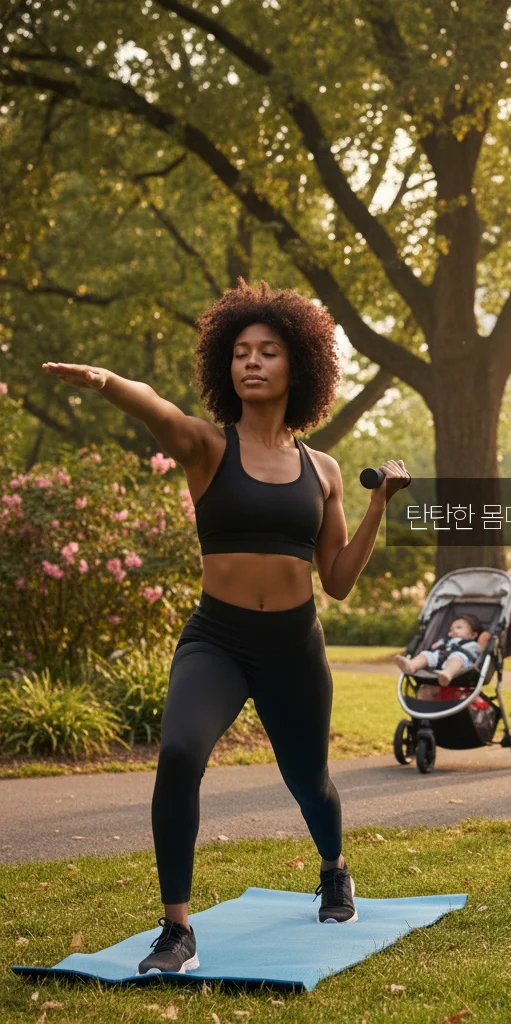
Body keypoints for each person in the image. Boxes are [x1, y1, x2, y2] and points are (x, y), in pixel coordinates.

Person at [43, 280, 409, 974]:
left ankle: (334, 869)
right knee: (179, 753)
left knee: (310, 781)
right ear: (225, 365)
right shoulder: (208, 448)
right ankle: (176, 930)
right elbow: (154, 405)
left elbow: (337, 578)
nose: (253, 362)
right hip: (220, 640)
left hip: (295, 645)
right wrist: (104, 380)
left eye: (269, 352)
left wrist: (378, 505)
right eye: (241, 351)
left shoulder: (322, 469)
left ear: (296, 366)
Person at [396, 614, 485, 692]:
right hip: (440, 656)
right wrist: (437, 645)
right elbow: (434, 648)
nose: (453, 630)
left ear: (473, 635)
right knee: (426, 654)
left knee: (456, 658)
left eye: (459, 628)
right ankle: (411, 665)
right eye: (451, 629)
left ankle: (447, 674)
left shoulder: (473, 644)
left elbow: (482, 649)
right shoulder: (446, 641)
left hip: (461, 663)